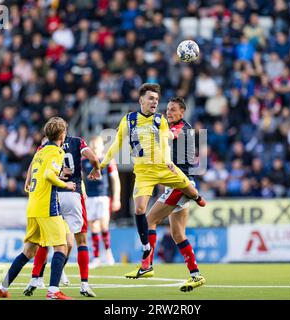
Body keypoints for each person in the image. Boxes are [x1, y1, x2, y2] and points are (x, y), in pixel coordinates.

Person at [88, 83, 206, 277]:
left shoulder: (162, 121)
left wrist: (167, 160)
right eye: (152, 99)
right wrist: (100, 165)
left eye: (157, 100)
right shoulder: (129, 120)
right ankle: (156, 260)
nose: (155, 103)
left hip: (163, 168)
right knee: (143, 212)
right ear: (141, 100)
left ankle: (196, 196)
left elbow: (167, 143)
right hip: (143, 173)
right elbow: (115, 144)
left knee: (186, 189)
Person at [124, 97, 206, 292]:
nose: (168, 113)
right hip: (179, 185)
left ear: (182, 112)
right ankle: (196, 275)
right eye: (168, 109)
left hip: (180, 184)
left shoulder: (182, 128)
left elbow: (169, 136)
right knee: (178, 234)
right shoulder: (173, 127)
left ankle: (147, 265)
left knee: (149, 219)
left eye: (173, 110)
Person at [0, 117, 76, 300]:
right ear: (62, 134)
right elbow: (48, 174)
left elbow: (32, 174)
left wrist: (29, 183)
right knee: (62, 247)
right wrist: (66, 184)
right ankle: (53, 291)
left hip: (32, 206)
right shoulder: (57, 151)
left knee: (28, 251)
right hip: (47, 207)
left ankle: (2, 287)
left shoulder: (40, 152)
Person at [24, 132, 101, 298]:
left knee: (49, 241)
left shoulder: (45, 146)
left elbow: (34, 163)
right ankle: (84, 284)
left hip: (54, 196)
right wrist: (97, 168)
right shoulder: (76, 142)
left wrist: (28, 180)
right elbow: (93, 158)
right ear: (64, 131)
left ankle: (36, 278)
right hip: (72, 193)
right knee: (79, 241)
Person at [83, 136, 121, 269]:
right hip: (90, 197)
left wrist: (116, 198)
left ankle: (108, 253)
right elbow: (81, 178)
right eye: (92, 144)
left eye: (97, 144)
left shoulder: (108, 160)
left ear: (101, 145)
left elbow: (115, 180)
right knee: (93, 226)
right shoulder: (85, 161)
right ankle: (97, 257)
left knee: (104, 226)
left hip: (103, 196)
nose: (94, 147)